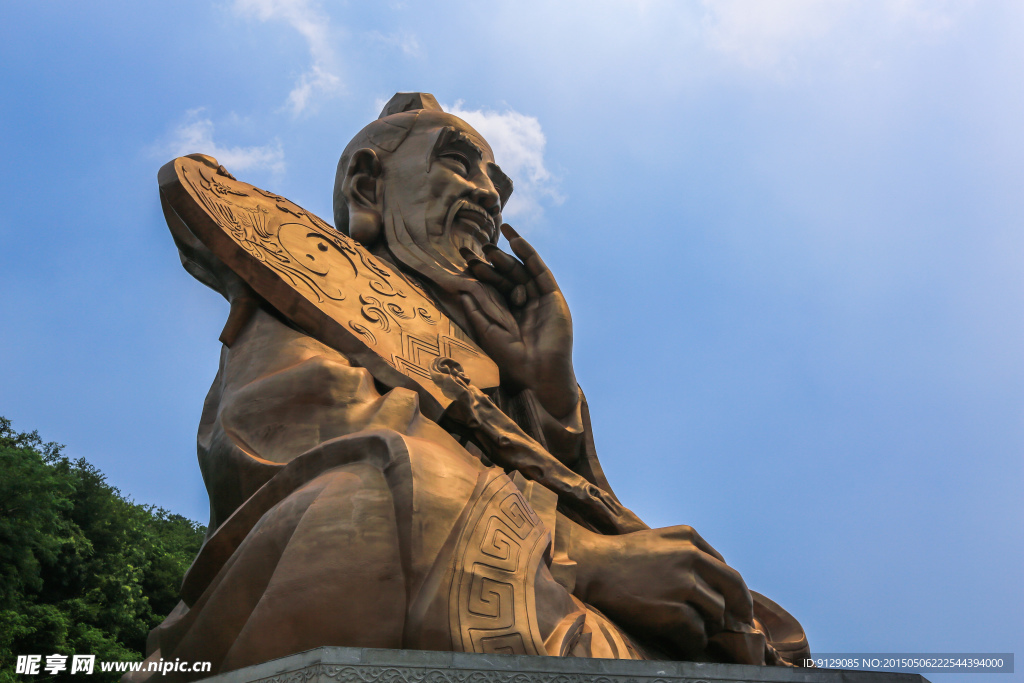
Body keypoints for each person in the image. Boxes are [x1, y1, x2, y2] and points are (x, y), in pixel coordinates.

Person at [130, 93, 808, 681]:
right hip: (461, 574)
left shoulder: (491, 360)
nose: (488, 192)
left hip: (539, 589)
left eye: (499, 182)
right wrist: (586, 560)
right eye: (459, 161)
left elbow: (579, 499)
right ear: (369, 188)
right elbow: (304, 448)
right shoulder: (313, 299)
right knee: (352, 512)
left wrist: (548, 390)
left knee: (760, 629)